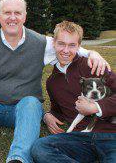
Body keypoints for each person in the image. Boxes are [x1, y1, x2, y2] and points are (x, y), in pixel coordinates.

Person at [0, 0, 110, 163]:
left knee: (31, 102)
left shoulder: (41, 43)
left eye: (18, 13)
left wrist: (92, 53)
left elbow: (68, 45)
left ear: (25, 16)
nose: (12, 17)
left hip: (25, 111)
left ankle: (18, 159)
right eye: (7, 13)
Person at [31, 21, 116, 163]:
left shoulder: (93, 65)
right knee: (40, 148)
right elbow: (58, 111)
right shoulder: (51, 82)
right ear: (53, 44)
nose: (66, 50)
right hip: (78, 140)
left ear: (78, 46)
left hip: (111, 136)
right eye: (61, 44)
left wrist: (96, 107)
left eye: (72, 45)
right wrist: (47, 116)